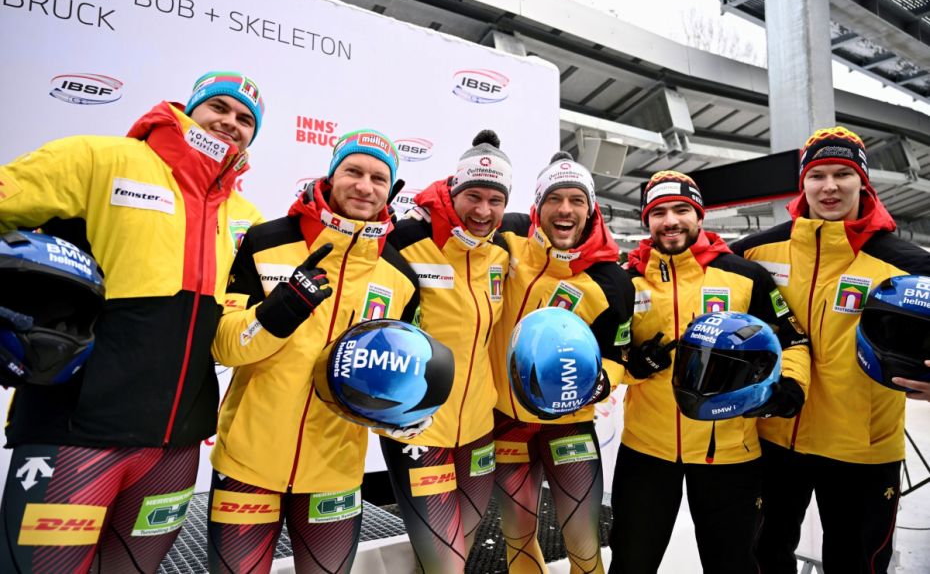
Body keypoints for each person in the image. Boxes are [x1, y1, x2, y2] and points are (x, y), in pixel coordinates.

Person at [0, 71, 265, 572]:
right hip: (76, 429)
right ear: (190, 110)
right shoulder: (100, 158)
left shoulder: (246, 216)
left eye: (246, 120)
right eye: (220, 108)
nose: (231, 123)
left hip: (177, 448)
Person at [206, 129, 420, 574]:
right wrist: (279, 312)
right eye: (353, 171)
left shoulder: (400, 275)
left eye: (379, 178)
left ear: (391, 189)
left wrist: (410, 407)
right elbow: (224, 345)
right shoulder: (266, 240)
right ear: (331, 174)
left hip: (335, 471)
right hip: (248, 463)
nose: (365, 186)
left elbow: (399, 371)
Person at [730, 126, 930, 573]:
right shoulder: (759, 249)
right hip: (777, 435)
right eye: (818, 175)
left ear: (863, 181)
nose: (830, 186)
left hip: (862, 446)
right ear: (802, 183)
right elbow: (701, 270)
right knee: (763, 555)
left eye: (843, 173)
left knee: (855, 561)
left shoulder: (906, 261)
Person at [608, 170, 811, 574]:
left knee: (733, 564)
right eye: (659, 212)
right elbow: (611, 355)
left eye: (682, 209)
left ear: (699, 216)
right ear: (646, 220)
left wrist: (790, 386)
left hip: (731, 450)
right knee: (631, 561)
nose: (671, 221)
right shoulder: (627, 280)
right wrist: (633, 366)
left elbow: (792, 340)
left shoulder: (743, 274)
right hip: (647, 449)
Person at [491, 152, 635, 574]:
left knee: (585, 545)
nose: (565, 209)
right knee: (517, 539)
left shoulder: (612, 279)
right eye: (555, 198)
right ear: (538, 206)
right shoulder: (509, 236)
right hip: (505, 420)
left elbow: (616, 355)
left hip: (569, 423)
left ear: (591, 210)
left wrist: (599, 384)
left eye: (577, 200)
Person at [381, 130, 511, 573]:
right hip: (419, 428)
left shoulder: (499, 254)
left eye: (496, 200)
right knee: (446, 563)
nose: (483, 210)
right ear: (453, 192)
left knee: (453, 553)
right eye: (472, 195)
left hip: (477, 428)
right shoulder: (407, 239)